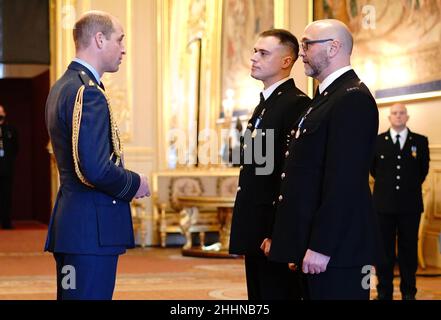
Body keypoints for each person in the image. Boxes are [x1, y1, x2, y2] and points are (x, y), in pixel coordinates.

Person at [267, 19, 380, 300]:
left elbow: (345, 182)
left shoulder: (352, 98)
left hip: (336, 251)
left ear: (333, 48)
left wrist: (321, 246)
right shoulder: (325, 98)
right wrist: (296, 242)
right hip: (313, 248)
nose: (300, 52)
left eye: (307, 44)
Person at [44, 11, 150, 300]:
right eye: (120, 39)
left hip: (74, 226)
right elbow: (95, 168)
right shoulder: (87, 92)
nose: (124, 48)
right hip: (91, 231)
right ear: (99, 39)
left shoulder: (62, 86)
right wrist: (134, 182)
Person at [229, 29, 311, 300]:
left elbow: (291, 178)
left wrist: (280, 234)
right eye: (254, 51)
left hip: (273, 231)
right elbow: (256, 167)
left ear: (286, 61)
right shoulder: (265, 105)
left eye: (263, 53)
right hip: (258, 227)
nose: (254, 58)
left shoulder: (295, 104)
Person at [371, 103, 430, 300]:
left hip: (410, 206)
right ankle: (384, 292)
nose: (398, 116)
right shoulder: (377, 142)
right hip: (383, 205)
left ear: (407, 116)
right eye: (394, 113)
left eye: (401, 113)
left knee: (408, 250)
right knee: (384, 251)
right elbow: (374, 170)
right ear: (389, 118)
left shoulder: (420, 142)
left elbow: (422, 171)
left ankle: (408, 292)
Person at [0, 104, 19, 229]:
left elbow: (16, 148)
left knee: (6, 195)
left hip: (6, 168)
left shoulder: (10, 130)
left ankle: (6, 222)